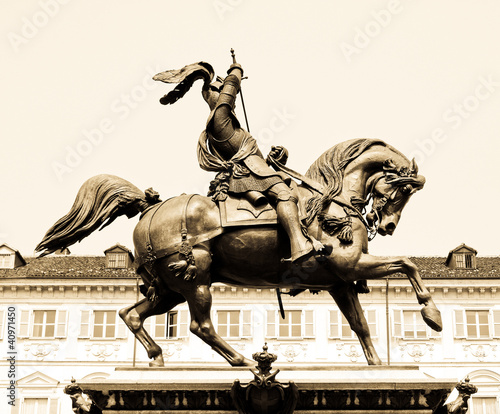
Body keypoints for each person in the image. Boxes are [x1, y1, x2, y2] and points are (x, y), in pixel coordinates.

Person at [197, 61, 324, 263]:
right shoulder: (219, 121)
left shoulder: (232, 129)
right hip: (247, 176)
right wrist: (236, 72)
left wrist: (274, 158)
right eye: (227, 97)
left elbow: (257, 161)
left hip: (256, 172)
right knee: (284, 194)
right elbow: (228, 97)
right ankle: (299, 244)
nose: (233, 103)